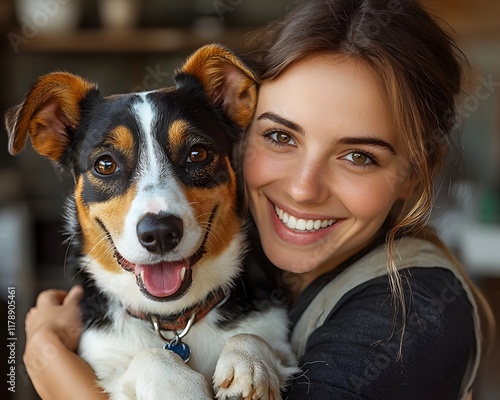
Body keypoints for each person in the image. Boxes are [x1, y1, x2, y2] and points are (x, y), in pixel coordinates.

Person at [23, 0, 494, 399]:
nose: (302, 189)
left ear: (417, 173)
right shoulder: (277, 272)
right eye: (280, 137)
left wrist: (49, 362)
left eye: (358, 155)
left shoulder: (410, 318)